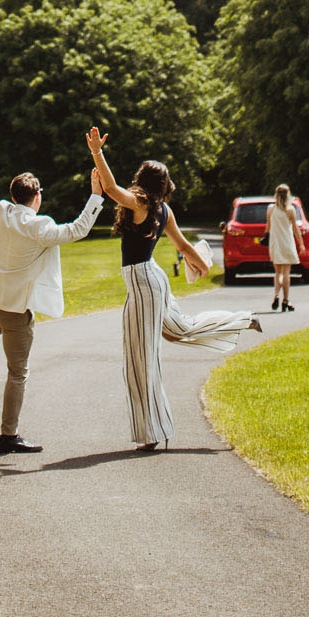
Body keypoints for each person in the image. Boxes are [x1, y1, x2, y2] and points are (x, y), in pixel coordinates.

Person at [86, 128, 261, 450]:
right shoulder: (163, 209)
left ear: (143, 180)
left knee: (140, 360)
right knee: (180, 329)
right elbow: (182, 245)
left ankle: (150, 434)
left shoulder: (140, 203)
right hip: (153, 281)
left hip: (144, 283)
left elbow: (111, 188)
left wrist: (97, 151)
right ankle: (241, 320)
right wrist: (204, 266)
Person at [0, 157, 105, 455]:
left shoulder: (0, 212)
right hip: (14, 307)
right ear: (37, 197)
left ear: (13, 197)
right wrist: (96, 196)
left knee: (8, 321)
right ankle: (9, 436)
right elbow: (76, 230)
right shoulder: (39, 227)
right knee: (18, 372)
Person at [266, 185, 302, 311]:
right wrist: (301, 243)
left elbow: (268, 227)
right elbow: (295, 228)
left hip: (275, 242)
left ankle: (276, 295)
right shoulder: (290, 210)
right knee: (286, 273)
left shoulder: (270, 209)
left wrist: (265, 238)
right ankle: (286, 300)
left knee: (278, 273)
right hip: (287, 242)